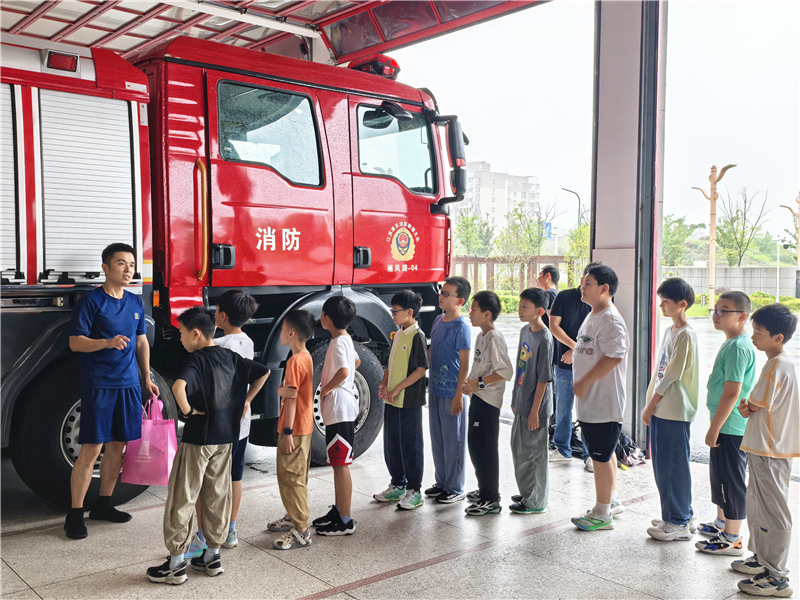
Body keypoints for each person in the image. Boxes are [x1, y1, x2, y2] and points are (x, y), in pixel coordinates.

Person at [147, 307, 269, 585]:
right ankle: (212, 556)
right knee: (217, 495)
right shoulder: (232, 357)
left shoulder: (197, 359)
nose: (180, 339)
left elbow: (178, 388)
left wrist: (188, 412)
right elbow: (263, 372)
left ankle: (176, 565)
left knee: (183, 496)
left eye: (181, 333)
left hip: (198, 439)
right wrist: (246, 400)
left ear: (195, 333)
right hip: (225, 439)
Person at [64, 243, 159, 540]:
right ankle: (74, 513)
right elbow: (75, 342)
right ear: (105, 267)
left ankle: (103, 504)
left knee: (118, 446)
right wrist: (106, 342)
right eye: (121, 263)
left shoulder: (135, 302)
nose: (128, 269)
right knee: (92, 448)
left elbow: (141, 342)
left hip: (129, 384)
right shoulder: (91, 302)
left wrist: (146, 377)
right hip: (99, 384)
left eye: (131, 264)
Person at [187, 290, 258, 557]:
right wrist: (248, 399)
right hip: (241, 424)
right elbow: (256, 375)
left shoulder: (217, 345)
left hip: (219, 427)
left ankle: (203, 536)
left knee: (209, 482)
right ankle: (230, 530)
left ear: (222, 315)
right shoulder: (247, 342)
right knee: (235, 476)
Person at [733, 303, 798, 598]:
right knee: (759, 505)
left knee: (773, 510)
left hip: (771, 449)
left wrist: (748, 406)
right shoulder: (778, 363)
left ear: (778, 337)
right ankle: (762, 560)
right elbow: (754, 406)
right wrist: (749, 406)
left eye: (758, 332)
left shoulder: (777, 365)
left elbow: (754, 404)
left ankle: (777, 576)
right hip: (765, 447)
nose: (753, 337)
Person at [695, 291, 756, 556]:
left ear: (742, 316)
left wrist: (714, 428)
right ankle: (722, 524)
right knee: (720, 477)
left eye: (724, 311)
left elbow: (732, 392)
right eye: (715, 310)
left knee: (731, 480)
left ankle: (733, 538)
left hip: (730, 427)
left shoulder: (739, 347)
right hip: (725, 424)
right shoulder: (732, 343)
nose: (716, 315)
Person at [571, 264, 629, 531]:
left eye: (588, 283)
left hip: (604, 403)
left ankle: (602, 513)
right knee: (605, 453)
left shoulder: (610, 319)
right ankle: (612, 500)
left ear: (604, 288)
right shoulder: (593, 314)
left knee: (600, 458)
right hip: (591, 402)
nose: (582, 287)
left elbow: (615, 356)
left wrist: (585, 381)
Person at [641, 278, 700, 542]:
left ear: (682, 304)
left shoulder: (686, 334)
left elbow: (672, 374)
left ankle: (678, 521)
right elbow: (661, 370)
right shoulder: (671, 331)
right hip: (662, 408)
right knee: (664, 465)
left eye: (666, 301)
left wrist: (650, 405)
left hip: (673, 409)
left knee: (673, 466)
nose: (661, 306)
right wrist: (651, 403)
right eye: (661, 301)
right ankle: (677, 514)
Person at [374, 290, 429, 510]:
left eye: (395, 311)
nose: (393, 314)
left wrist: (397, 388)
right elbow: (391, 363)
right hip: (392, 399)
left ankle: (414, 490)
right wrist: (384, 384)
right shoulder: (398, 334)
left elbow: (420, 370)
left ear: (410, 312)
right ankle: (397, 484)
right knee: (392, 444)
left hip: (408, 401)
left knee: (410, 445)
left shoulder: (417, 336)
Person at [312, 296, 361, 535]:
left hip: (339, 408)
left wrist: (326, 389)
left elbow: (344, 371)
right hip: (341, 408)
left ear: (327, 318)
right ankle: (339, 510)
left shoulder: (338, 343)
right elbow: (356, 362)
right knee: (337, 464)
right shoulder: (344, 338)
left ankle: (345, 520)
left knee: (341, 465)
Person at [268, 309, 316, 550]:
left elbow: (291, 397)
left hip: (294, 428)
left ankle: (301, 531)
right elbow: (289, 391)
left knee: (291, 477)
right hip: (304, 426)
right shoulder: (305, 356)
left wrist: (287, 432)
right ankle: (293, 516)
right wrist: (280, 390)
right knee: (298, 474)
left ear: (292, 333)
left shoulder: (294, 361)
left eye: (283, 328)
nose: (280, 332)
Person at [462, 291, 514, 516]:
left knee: (485, 449)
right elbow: (479, 367)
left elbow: (505, 372)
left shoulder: (494, 337)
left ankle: (491, 499)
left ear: (487, 314)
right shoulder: (481, 336)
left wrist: (479, 383)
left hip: (488, 401)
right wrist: (470, 384)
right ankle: (485, 489)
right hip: (478, 397)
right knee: (475, 446)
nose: (469, 313)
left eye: (473, 309)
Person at [425, 276, 472, 504]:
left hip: (452, 392)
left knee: (454, 441)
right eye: (441, 292)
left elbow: (465, 364)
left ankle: (455, 487)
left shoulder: (462, 327)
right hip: (435, 389)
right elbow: (432, 350)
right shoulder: (438, 320)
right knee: (438, 439)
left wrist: (459, 395)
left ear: (460, 301)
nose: (440, 297)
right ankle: (442, 482)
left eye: (446, 294)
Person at [509, 287, 554, 514]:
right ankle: (529, 491)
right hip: (522, 400)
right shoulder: (524, 331)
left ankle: (536, 501)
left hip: (537, 407)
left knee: (535, 454)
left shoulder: (545, 339)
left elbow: (544, 379)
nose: (520, 310)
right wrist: (515, 397)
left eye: (525, 307)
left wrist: (535, 411)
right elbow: (520, 367)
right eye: (520, 305)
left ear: (539, 311)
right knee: (520, 450)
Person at [548, 262, 596, 470]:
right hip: (564, 362)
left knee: (587, 410)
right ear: (582, 279)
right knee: (563, 409)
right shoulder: (565, 296)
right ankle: (562, 449)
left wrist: (577, 352)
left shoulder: (600, 302)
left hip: (590, 365)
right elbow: (554, 326)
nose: (588, 286)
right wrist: (575, 348)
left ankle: (590, 454)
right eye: (587, 281)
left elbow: (599, 334)